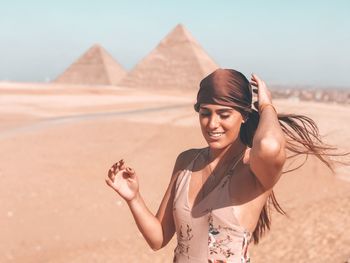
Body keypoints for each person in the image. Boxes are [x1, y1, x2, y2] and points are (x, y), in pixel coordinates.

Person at [105, 68, 339, 262]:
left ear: (244, 115)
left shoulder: (253, 169)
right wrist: (133, 198)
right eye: (205, 113)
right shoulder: (186, 161)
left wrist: (267, 106)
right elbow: (158, 239)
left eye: (224, 114)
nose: (212, 124)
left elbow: (269, 144)